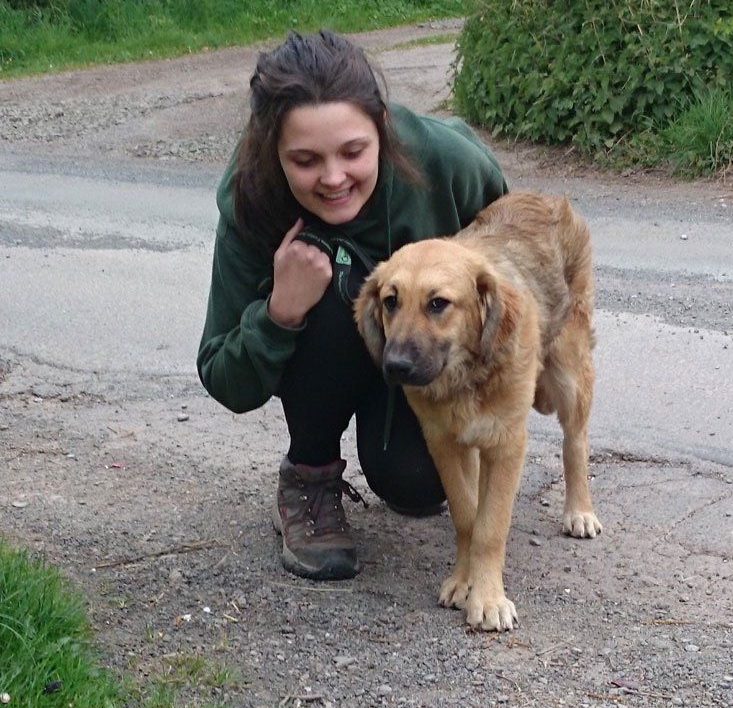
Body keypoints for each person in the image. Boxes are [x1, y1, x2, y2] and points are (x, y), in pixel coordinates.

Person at [197, 29, 508, 582]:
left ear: (381, 130)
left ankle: (423, 446)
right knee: (333, 295)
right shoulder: (251, 201)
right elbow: (224, 377)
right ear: (274, 153)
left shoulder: (446, 160)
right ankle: (309, 479)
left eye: (353, 152)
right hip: (329, 355)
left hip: (424, 363)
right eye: (306, 160)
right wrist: (278, 313)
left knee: (415, 483)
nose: (334, 177)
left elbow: (509, 256)